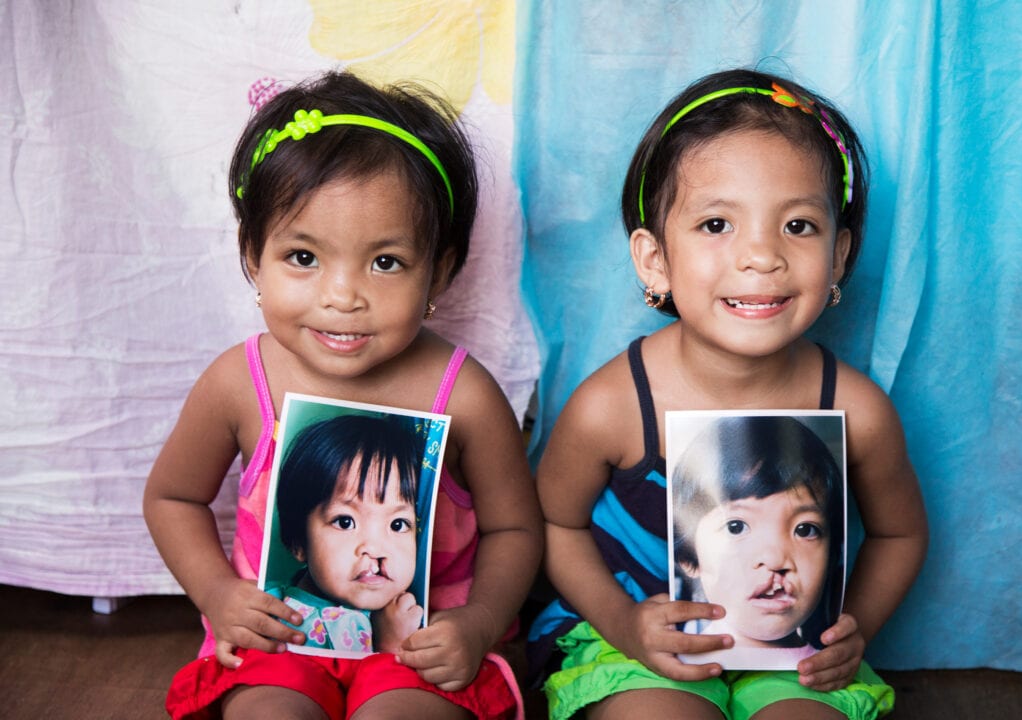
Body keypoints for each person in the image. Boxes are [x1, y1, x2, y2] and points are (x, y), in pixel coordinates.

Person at [529, 68, 928, 720]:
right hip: (637, 648)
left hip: (797, 653)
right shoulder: (614, 405)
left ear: (839, 258)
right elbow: (554, 521)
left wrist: (853, 627)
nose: (761, 256)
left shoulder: (857, 411)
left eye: (798, 227)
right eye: (717, 225)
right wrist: (624, 622)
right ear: (654, 261)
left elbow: (901, 533)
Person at [143, 69, 543, 720]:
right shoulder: (238, 382)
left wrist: (476, 623)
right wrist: (218, 594)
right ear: (253, 254)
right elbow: (172, 497)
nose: (342, 296)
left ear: (437, 270)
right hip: (282, 636)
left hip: (419, 644)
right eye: (304, 257)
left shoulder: (462, 392)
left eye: (385, 262)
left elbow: (515, 526)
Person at [670, 414, 846, 671]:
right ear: (688, 558)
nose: (776, 560)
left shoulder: (827, 669)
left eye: (805, 529)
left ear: (833, 555)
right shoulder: (667, 657)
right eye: (736, 527)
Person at [265, 413, 429, 658]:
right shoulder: (272, 612)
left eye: (397, 524)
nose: (375, 549)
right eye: (345, 522)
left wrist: (393, 646)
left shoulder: (407, 619)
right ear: (298, 541)